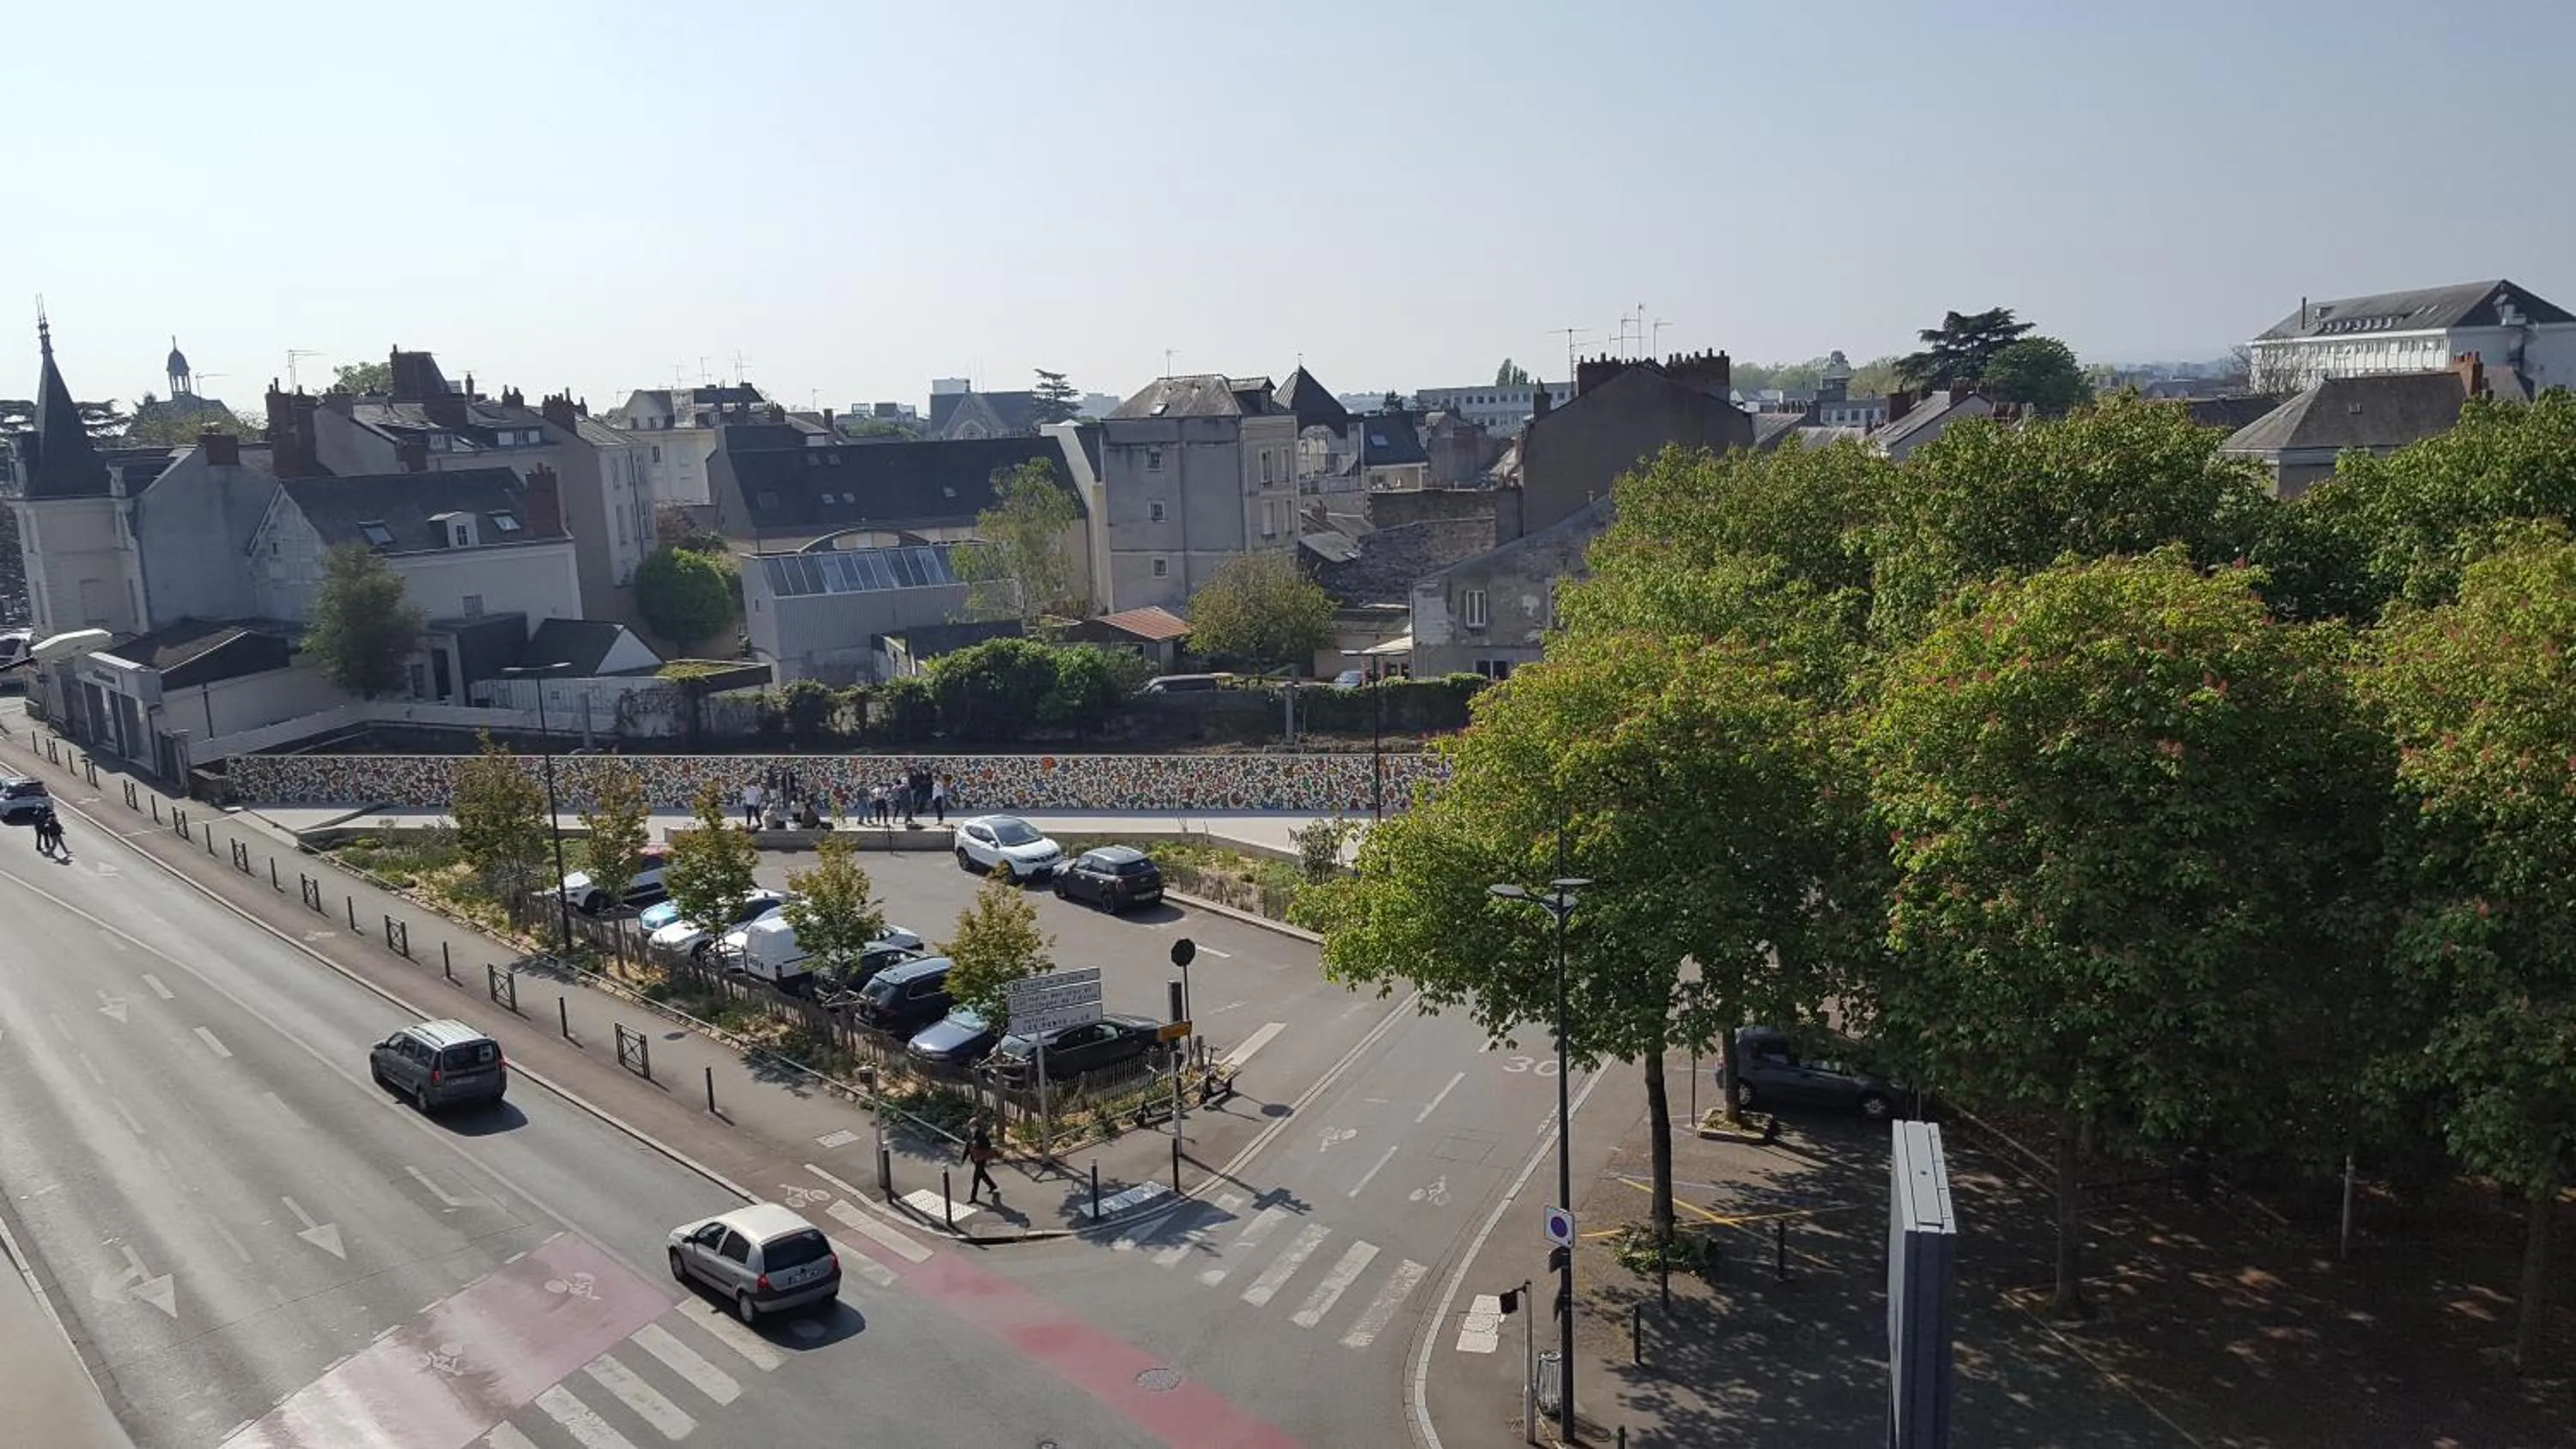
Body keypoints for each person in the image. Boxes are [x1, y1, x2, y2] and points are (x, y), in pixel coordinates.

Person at [963, 1116, 1001, 1204]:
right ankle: (992, 1186)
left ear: (976, 1126)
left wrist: (978, 1144)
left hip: (981, 1158)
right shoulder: (971, 1135)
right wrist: (964, 1158)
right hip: (976, 1158)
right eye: (970, 1126)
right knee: (982, 1173)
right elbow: (968, 1146)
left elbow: (987, 1145)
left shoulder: (981, 1135)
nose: (971, 1128)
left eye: (972, 1126)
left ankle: (973, 1197)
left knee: (976, 1178)